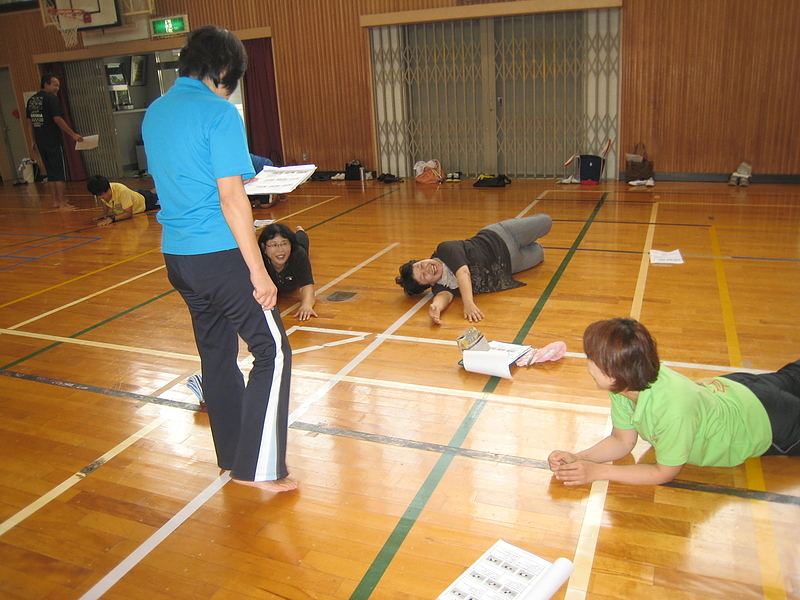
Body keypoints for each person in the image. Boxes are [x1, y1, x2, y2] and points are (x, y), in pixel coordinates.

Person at [142, 25, 297, 492]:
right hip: (221, 257)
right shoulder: (219, 112)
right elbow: (231, 200)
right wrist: (258, 272)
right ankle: (260, 468)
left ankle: (232, 457)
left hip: (179, 259)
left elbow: (186, 176)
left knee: (216, 354)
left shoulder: (155, 112)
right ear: (224, 70)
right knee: (273, 353)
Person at [549, 318, 800, 486]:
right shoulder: (628, 384)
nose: (587, 362)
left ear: (613, 373)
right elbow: (622, 440)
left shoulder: (672, 411)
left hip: (767, 423)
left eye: (591, 358)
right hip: (739, 389)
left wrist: (600, 472)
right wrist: (580, 459)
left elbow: (664, 472)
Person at [395, 214, 552, 325]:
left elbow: (463, 272)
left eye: (421, 264)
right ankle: (530, 244)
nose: (427, 268)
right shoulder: (442, 285)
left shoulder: (444, 250)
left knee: (546, 222)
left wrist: (468, 303)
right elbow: (443, 296)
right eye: (423, 276)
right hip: (510, 265)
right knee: (539, 252)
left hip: (502, 236)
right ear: (428, 285)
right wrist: (436, 308)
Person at [25, 73, 83, 210]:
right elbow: (57, 119)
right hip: (53, 140)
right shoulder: (50, 99)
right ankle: (63, 202)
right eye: (55, 85)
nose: (57, 88)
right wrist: (73, 134)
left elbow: (29, 122)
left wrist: (32, 140)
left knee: (50, 173)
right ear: (46, 84)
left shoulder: (32, 100)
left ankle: (56, 201)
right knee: (59, 173)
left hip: (40, 141)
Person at [258, 223, 317, 321]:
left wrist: (306, 305)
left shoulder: (298, 254)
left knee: (302, 241)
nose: (280, 249)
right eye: (274, 245)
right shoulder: (258, 259)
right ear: (264, 247)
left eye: (284, 243)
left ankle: (300, 230)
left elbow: (306, 285)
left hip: (299, 248)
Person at [86, 175, 159, 226]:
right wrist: (105, 213)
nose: (101, 197)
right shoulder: (103, 191)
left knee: (155, 194)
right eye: (98, 195)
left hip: (144, 202)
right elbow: (105, 203)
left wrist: (112, 218)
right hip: (134, 195)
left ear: (108, 189)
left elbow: (128, 214)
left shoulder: (121, 191)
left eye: (102, 194)